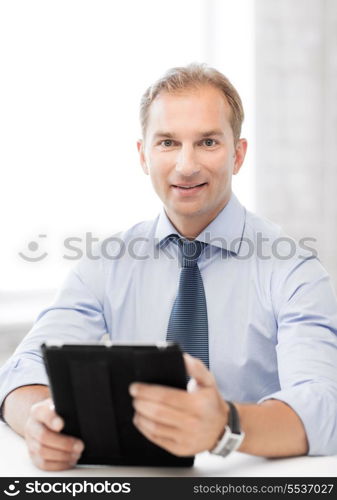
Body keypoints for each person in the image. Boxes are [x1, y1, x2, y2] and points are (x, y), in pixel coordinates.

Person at [1, 63, 337, 471]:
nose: (186, 165)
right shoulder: (107, 264)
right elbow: (21, 370)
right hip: (139, 479)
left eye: (208, 142)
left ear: (238, 154)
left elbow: (325, 405)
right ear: (144, 156)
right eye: (167, 143)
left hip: (251, 478)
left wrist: (223, 425)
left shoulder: (293, 270)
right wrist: (39, 419)